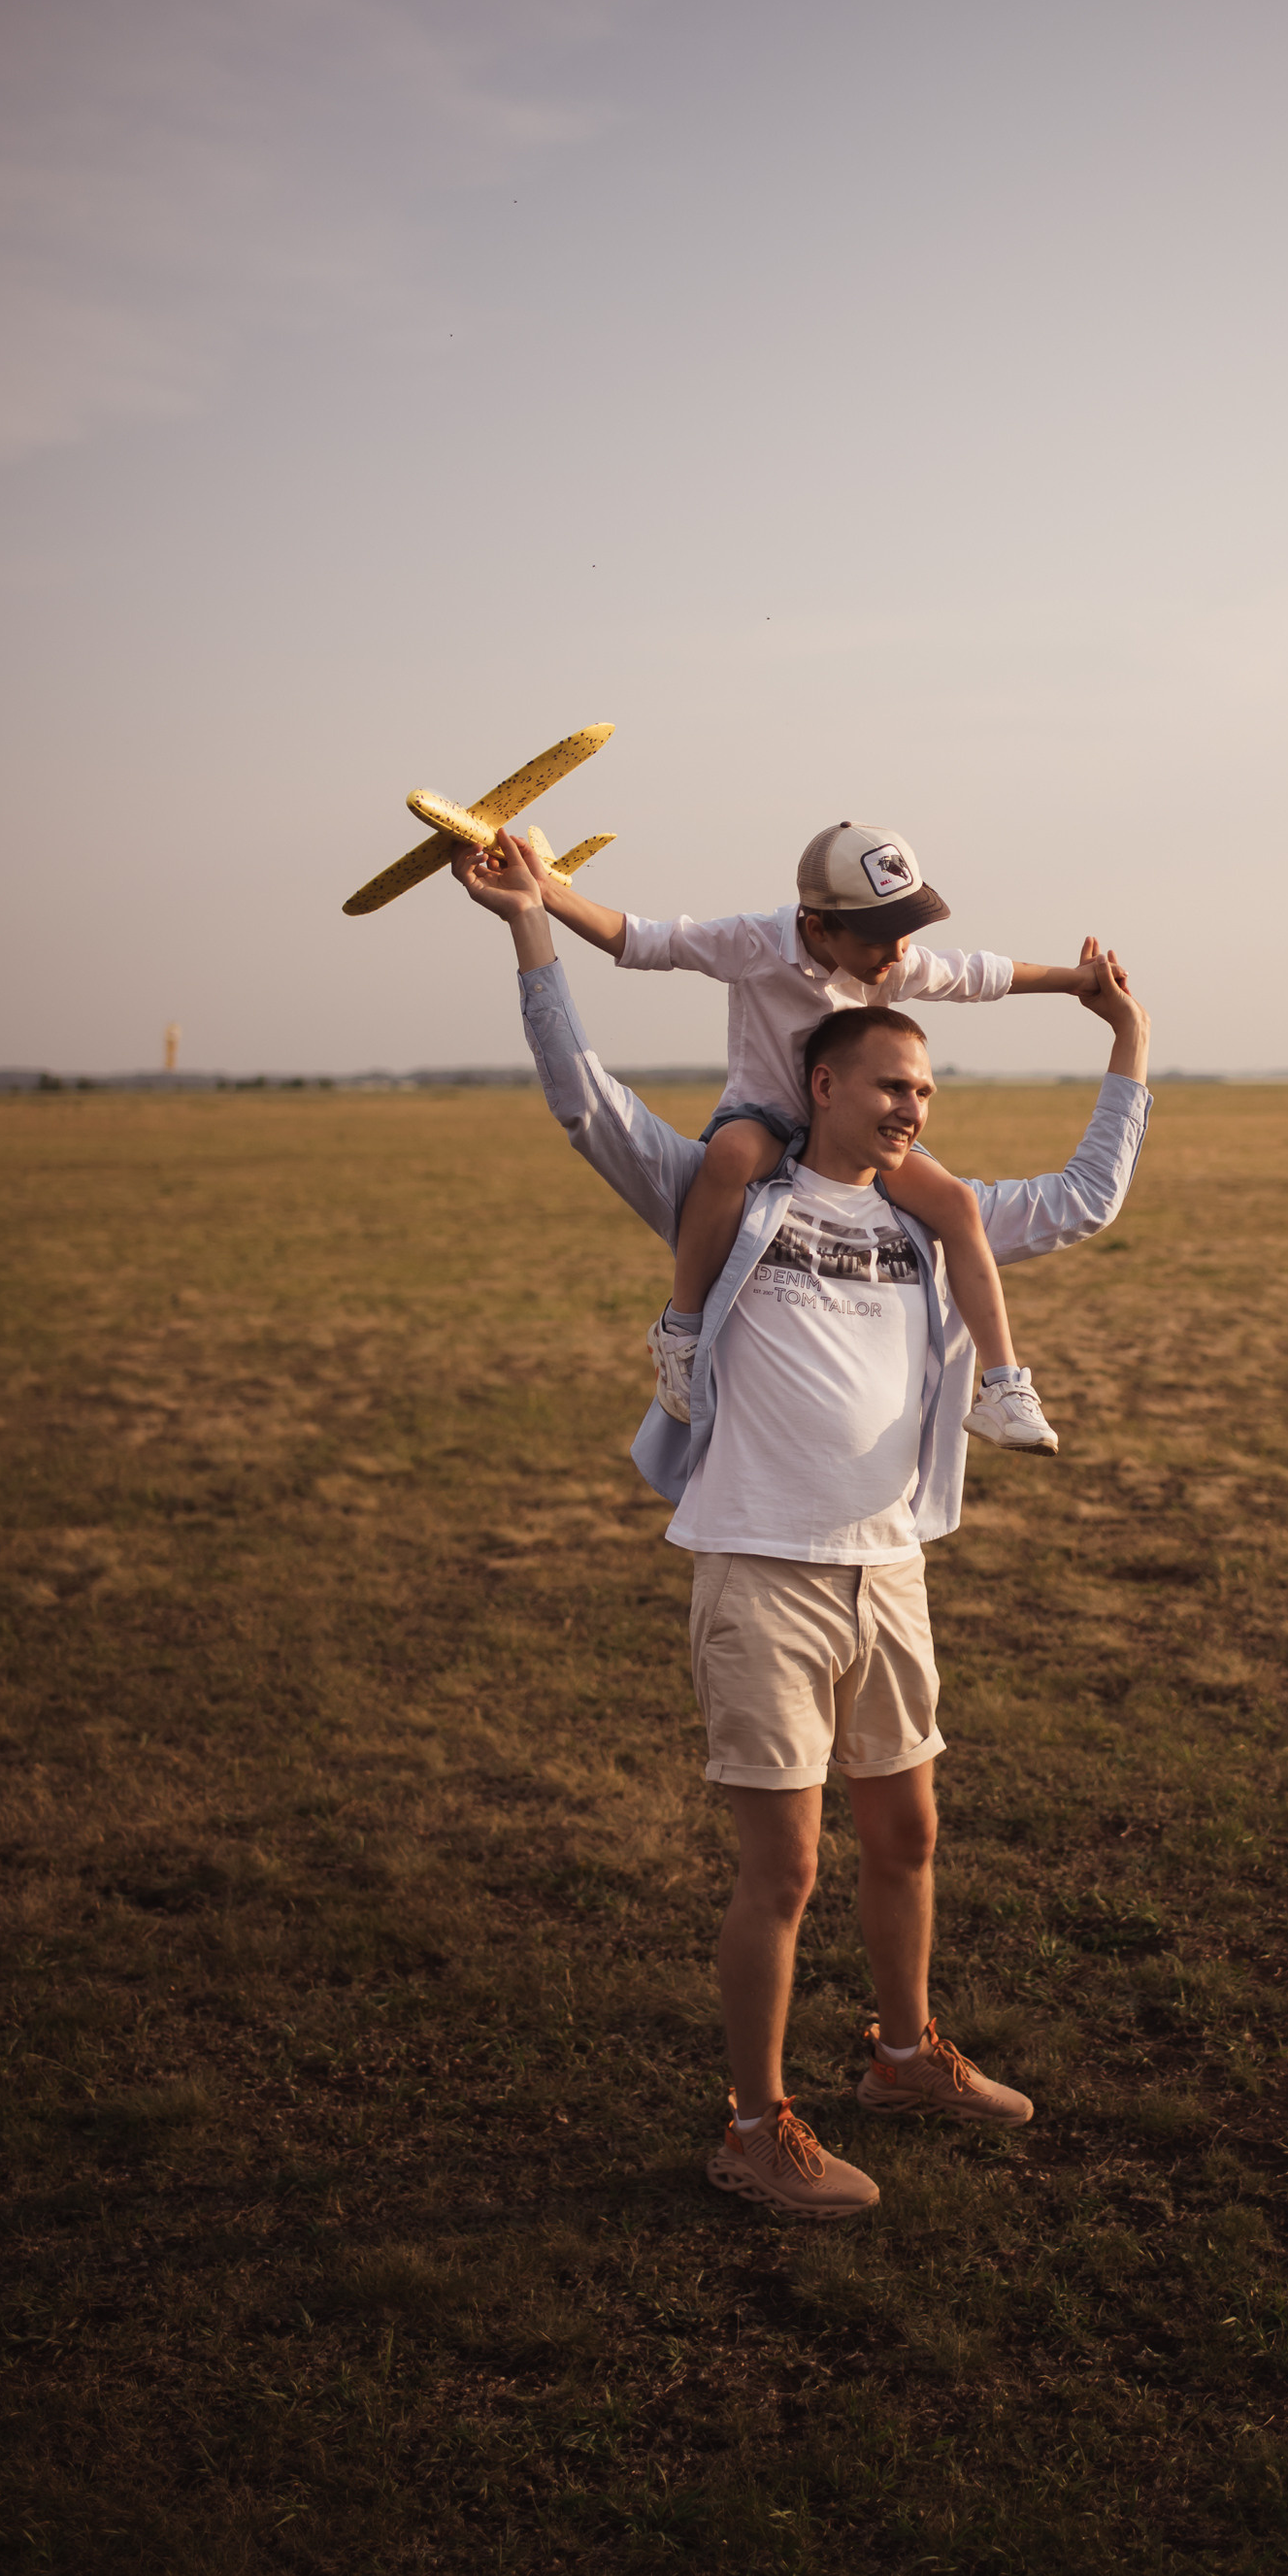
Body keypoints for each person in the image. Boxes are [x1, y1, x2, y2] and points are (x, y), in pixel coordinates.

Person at [452, 829, 1152, 2220]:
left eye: (928, 1091)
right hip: (761, 1572)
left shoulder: (930, 1217)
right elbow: (585, 1100)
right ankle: (754, 2122)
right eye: (893, 1087)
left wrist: (1128, 1039)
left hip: (888, 1572)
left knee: (909, 1836)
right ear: (819, 1080)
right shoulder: (735, 1190)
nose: (914, 1111)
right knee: (787, 1866)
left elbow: (1082, 1202)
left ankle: (903, 2058)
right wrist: (536, 930)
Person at [528, 817, 1106, 1455]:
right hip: (766, 1121)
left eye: (905, 932)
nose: (896, 954)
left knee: (957, 1203)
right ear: (815, 927)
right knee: (730, 1155)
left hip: (855, 1133)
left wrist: (1073, 981)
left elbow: (979, 975)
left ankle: (1003, 1387)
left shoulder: (894, 960)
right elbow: (644, 941)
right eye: (877, 940)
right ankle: (682, 1332)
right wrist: (549, 896)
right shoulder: (753, 942)